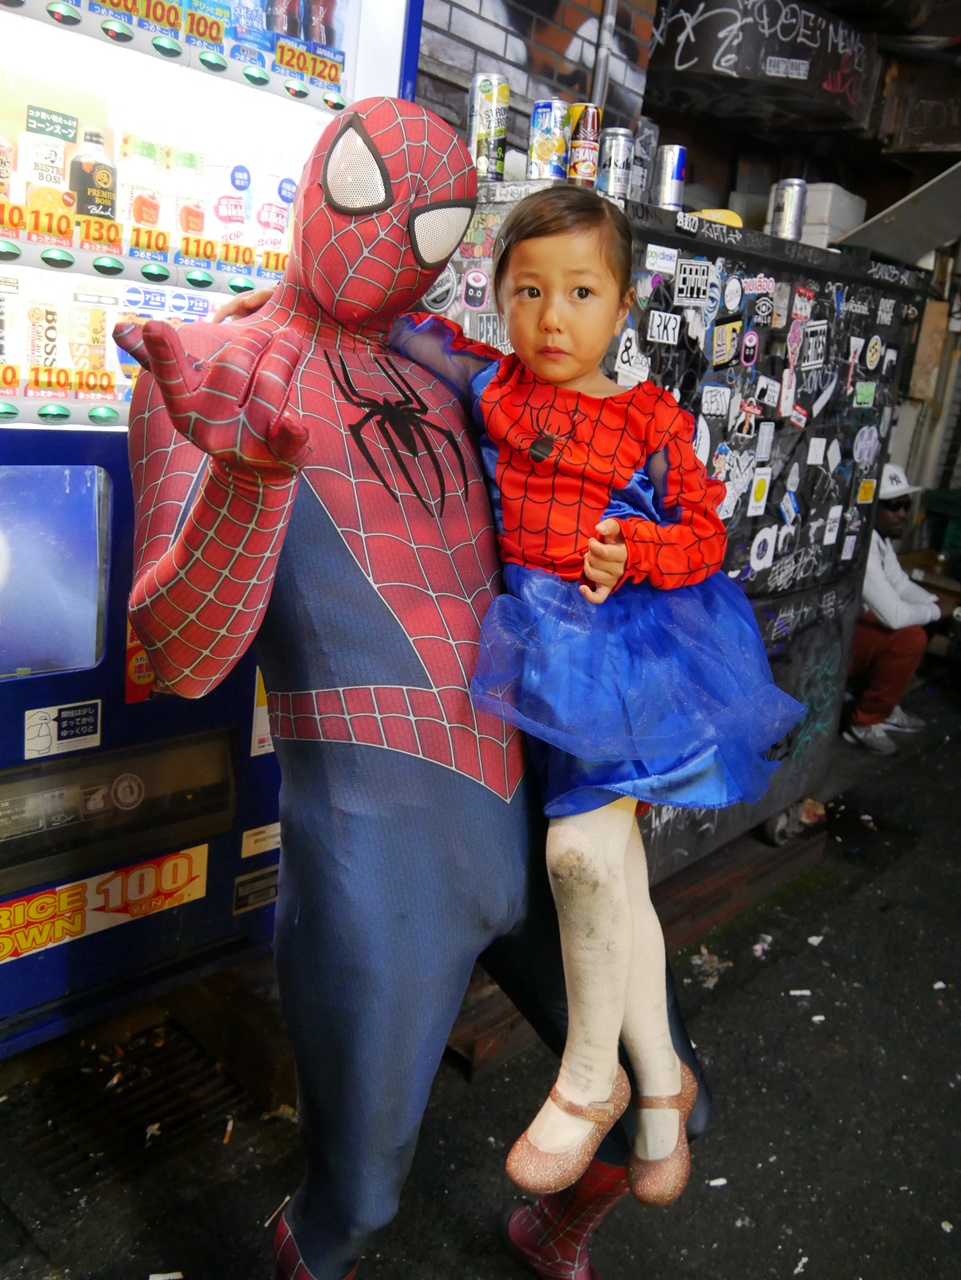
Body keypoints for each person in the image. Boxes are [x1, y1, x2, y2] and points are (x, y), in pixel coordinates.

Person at [113, 99, 711, 1280]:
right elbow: (178, 655)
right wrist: (243, 477)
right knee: (355, 1204)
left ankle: (553, 1229)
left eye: (428, 219)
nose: (389, 234)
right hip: (373, 851)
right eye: (362, 187)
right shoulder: (217, 371)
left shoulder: (448, 367)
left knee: (663, 1102)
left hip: (538, 812)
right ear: (311, 177)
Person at [391, 186, 804, 1208]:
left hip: (626, 656)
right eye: (526, 291)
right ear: (500, 297)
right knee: (614, 876)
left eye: (580, 291)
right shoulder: (493, 390)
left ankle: (589, 1072)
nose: (551, 317)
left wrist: (639, 549)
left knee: (577, 853)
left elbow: (708, 536)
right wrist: (280, 302)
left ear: (624, 304)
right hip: (531, 652)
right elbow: (409, 327)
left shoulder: (651, 421)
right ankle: (663, 1085)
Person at [844, 462, 953, 756]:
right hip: (839, 643)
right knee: (910, 636)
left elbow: (901, 585)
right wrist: (936, 611)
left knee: (925, 618)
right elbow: (893, 616)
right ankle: (865, 721)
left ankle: (883, 701)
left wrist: (939, 606)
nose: (903, 513)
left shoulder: (880, 540)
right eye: (893, 506)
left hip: (858, 631)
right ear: (873, 508)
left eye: (906, 505)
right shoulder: (861, 543)